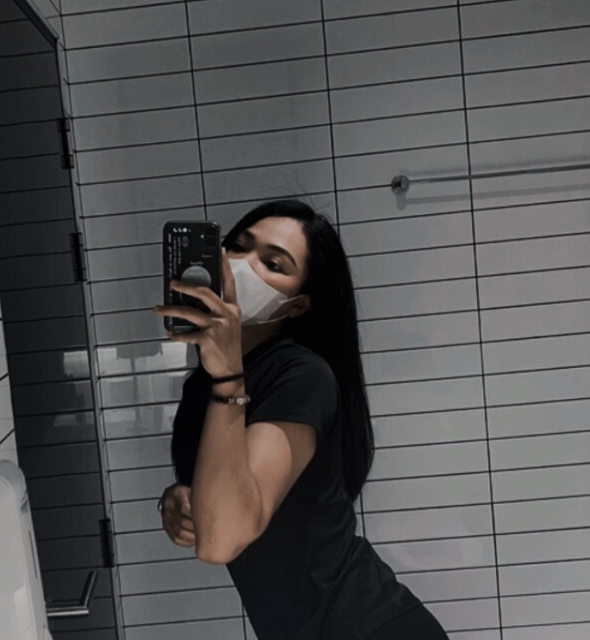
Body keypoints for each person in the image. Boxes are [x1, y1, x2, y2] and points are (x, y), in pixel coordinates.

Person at [152, 199, 450, 639]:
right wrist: (177, 499)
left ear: (297, 305)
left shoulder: (301, 375)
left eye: (272, 264)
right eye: (238, 245)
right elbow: (221, 496)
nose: (243, 264)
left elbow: (223, 539)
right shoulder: (204, 386)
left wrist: (228, 376)